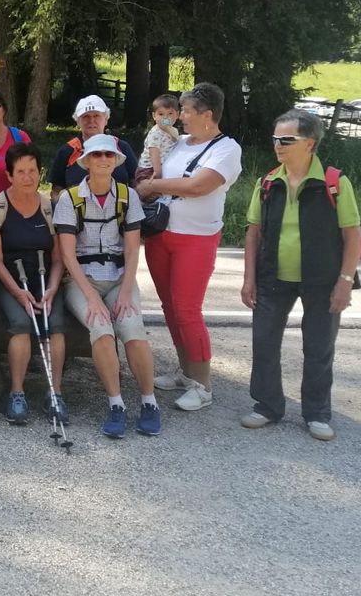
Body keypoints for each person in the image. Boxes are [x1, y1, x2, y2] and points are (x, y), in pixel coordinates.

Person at [240, 110, 361, 442]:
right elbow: (254, 233)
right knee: (264, 342)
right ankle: (267, 405)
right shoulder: (267, 183)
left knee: (319, 346)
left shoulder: (335, 183)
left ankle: (317, 413)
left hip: (323, 279)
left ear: (309, 143)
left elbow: (352, 236)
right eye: (276, 139)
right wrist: (249, 278)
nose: (278, 145)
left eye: (286, 140)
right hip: (272, 276)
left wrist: (345, 281)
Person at [136, 82, 243, 412]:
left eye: (186, 111)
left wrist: (153, 185)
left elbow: (199, 186)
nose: (180, 116)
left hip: (196, 239)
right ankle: (185, 371)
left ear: (208, 115)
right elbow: (152, 155)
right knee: (170, 308)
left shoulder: (226, 149)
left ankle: (203, 384)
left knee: (187, 310)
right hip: (161, 234)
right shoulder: (178, 142)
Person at [54, 134, 160, 439]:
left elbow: (131, 249)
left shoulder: (128, 196)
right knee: (100, 327)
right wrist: (91, 296)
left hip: (118, 278)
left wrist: (126, 291)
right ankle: (116, 404)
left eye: (108, 155)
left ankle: (149, 402)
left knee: (133, 328)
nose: (103, 160)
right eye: (97, 155)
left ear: (116, 160)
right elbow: (67, 255)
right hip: (82, 279)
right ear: (86, 161)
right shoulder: (69, 198)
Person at [0, 142, 68, 425]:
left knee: (54, 325)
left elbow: (58, 259)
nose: (27, 177)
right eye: (20, 171)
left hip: (45, 276)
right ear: (9, 175)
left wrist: (53, 288)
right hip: (10, 278)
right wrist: (17, 292)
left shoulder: (49, 207)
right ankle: (17, 393)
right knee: (21, 324)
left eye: (32, 170)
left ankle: (55, 392)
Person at [47, 94, 137, 195]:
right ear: (78, 121)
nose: (91, 121)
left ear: (106, 119)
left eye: (96, 116)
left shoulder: (121, 147)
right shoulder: (67, 150)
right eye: (86, 116)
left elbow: (136, 183)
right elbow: (55, 192)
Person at [134, 93, 180, 184]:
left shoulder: (174, 130)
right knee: (153, 190)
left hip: (164, 166)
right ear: (154, 116)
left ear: (177, 115)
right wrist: (158, 172)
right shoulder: (156, 133)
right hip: (149, 169)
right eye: (161, 114)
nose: (165, 118)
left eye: (170, 113)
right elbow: (154, 153)